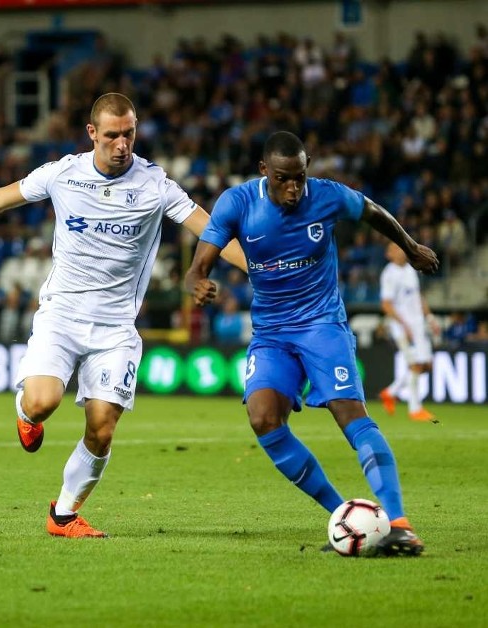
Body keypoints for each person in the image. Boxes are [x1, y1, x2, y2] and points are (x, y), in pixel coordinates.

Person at [0, 92, 247, 538]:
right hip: (61, 315)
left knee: (102, 428)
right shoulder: (63, 173)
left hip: (116, 328)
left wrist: (265, 269)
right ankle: (25, 412)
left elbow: (208, 228)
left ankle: (63, 514)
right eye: (113, 135)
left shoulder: (156, 185)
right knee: (43, 403)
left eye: (130, 134)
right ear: (92, 134)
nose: (123, 144)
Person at [185, 131, 438, 556]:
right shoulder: (238, 204)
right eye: (284, 178)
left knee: (349, 414)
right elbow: (198, 267)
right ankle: (345, 516)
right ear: (264, 171)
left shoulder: (327, 196)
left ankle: (399, 524)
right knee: (263, 417)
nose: (294, 188)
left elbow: (372, 211)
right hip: (271, 334)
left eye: (300, 177)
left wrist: (409, 247)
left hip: (322, 325)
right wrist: (198, 283)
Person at [378, 241, 440, 421]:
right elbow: (386, 305)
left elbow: (418, 296)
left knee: (427, 366)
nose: (400, 251)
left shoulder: (411, 269)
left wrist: (430, 318)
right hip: (403, 328)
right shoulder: (389, 274)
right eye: (395, 249)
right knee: (416, 365)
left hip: (418, 325)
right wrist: (404, 325)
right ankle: (415, 409)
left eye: (400, 247)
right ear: (389, 254)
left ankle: (390, 392)